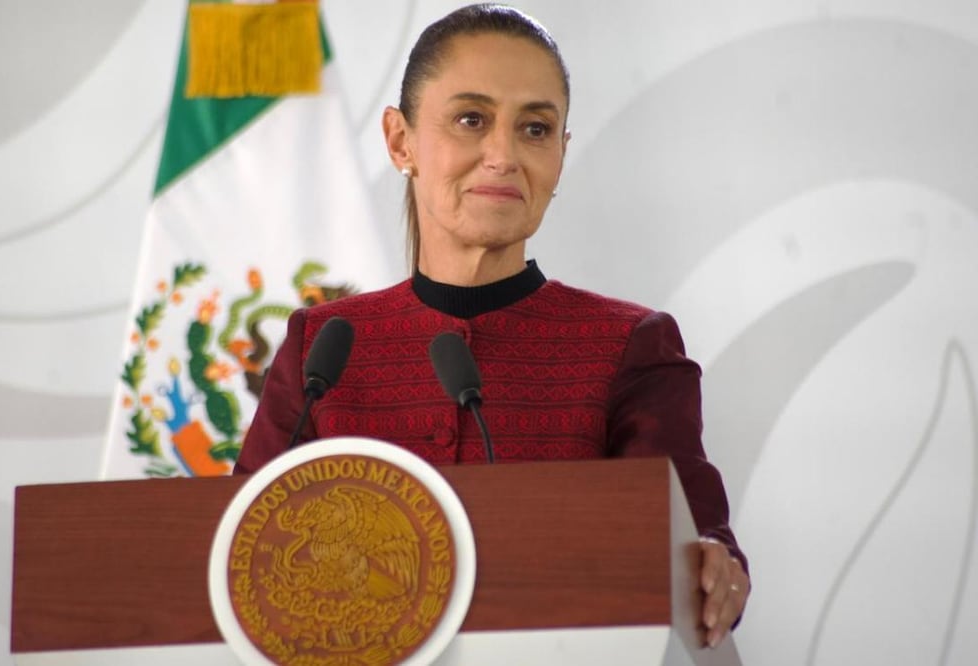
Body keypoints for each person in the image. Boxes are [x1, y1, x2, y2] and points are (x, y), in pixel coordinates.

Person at [235, 3, 749, 648]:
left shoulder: (629, 344)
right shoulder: (324, 350)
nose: (503, 156)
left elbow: (690, 542)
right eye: (471, 120)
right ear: (401, 141)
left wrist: (711, 561)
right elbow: (241, 548)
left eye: (535, 129)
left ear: (561, 154)